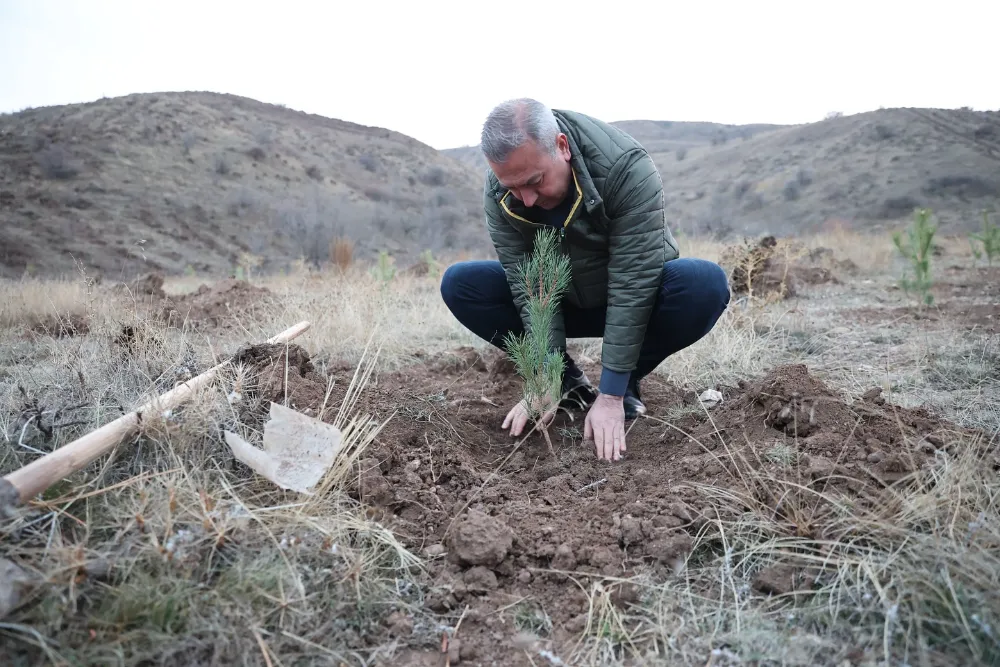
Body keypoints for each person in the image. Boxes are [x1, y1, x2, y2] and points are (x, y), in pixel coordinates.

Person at [440, 98, 730, 462]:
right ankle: (568, 384)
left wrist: (610, 393)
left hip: (631, 297)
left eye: (534, 182)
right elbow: (527, 285)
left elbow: (634, 281)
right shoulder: (502, 189)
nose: (525, 200)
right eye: (512, 187)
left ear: (561, 147)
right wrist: (546, 374)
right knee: (462, 284)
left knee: (704, 284)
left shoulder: (625, 167)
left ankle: (625, 383)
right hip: (565, 299)